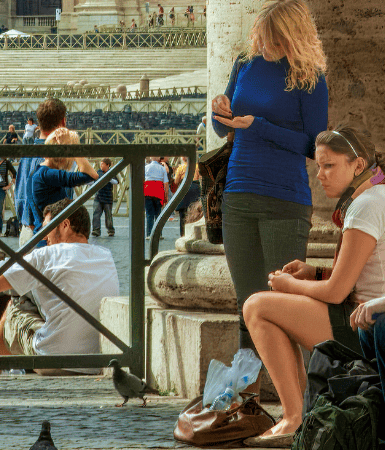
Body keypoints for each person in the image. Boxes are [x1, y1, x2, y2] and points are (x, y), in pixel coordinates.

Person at [242, 124, 385, 445]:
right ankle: (300, 412)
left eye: (329, 165)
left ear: (358, 165)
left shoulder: (365, 206)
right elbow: (364, 273)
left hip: (367, 329)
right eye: (318, 166)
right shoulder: (378, 195)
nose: (319, 174)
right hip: (371, 319)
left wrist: (289, 285)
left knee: (257, 307)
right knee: (270, 309)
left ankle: (295, 418)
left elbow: (337, 292)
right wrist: (314, 273)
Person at [211, 0, 328, 363]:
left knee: (285, 304)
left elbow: (315, 146)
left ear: (292, 38)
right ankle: (247, 400)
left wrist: (258, 126)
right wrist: (219, 112)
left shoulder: (310, 78)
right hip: (238, 195)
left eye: (272, 40)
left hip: (285, 200)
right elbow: (220, 129)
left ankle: (296, 401)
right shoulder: (244, 65)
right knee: (248, 304)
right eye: (260, 37)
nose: (263, 46)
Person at [0, 198, 120, 375]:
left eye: (46, 228)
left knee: (12, 307)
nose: (43, 235)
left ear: (65, 225)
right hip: (94, 364)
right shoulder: (105, 256)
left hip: (53, 360)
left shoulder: (48, 255)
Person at [15, 99, 67, 247]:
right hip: (51, 233)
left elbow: (19, 196)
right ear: (63, 122)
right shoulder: (56, 159)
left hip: (27, 231)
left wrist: (26, 219)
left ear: (39, 123)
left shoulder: (26, 155)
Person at [29, 128, 98, 236]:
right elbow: (92, 175)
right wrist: (73, 148)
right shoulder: (48, 174)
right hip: (52, 237)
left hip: (44, 235)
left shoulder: (38, 172)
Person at [173, 157, 201, 236]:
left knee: (183, 214)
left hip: (184, 189)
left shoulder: (180, 167)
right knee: (196, 213)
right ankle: (195, 234)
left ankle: (183, 235)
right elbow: (200, 178)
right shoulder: (197, 166)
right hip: (195, 189)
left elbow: (176, 181)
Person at [91, 158, 118, 238]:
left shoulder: (111, 172)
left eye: (102, 164)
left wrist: (107, 177)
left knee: (108, 215)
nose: (101, 165)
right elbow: (93, 181)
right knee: (96, 214)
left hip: (108, 197)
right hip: (98, 196)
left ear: (107, 165)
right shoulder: (98, 172)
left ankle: (110, 230)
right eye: (101, 163)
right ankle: (96, 230)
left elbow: (116, 182)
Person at [144, 157, 168, 239]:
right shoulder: (162, 168)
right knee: (158, 214)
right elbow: (166, 183)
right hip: (159, 191)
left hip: (148, 191)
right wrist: (166, 196)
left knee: (149, 214)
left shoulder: (146, 168)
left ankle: (149, 234)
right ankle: (158, 234)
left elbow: (142, 181)